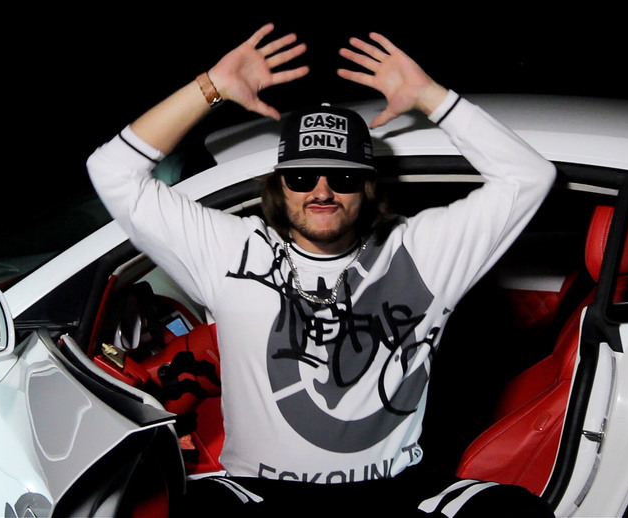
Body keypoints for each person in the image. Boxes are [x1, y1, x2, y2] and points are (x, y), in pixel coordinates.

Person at [87, 23, 556, 517]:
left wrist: (430, 97)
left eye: (344, 176)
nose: (322, 191)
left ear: (367, 187)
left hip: (394, 492)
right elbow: (112, 171)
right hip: (263, 494)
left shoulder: (421, 250)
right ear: (280, 185)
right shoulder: (230, 249)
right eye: (303, 175)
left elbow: (530, 176)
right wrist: (212, 87)